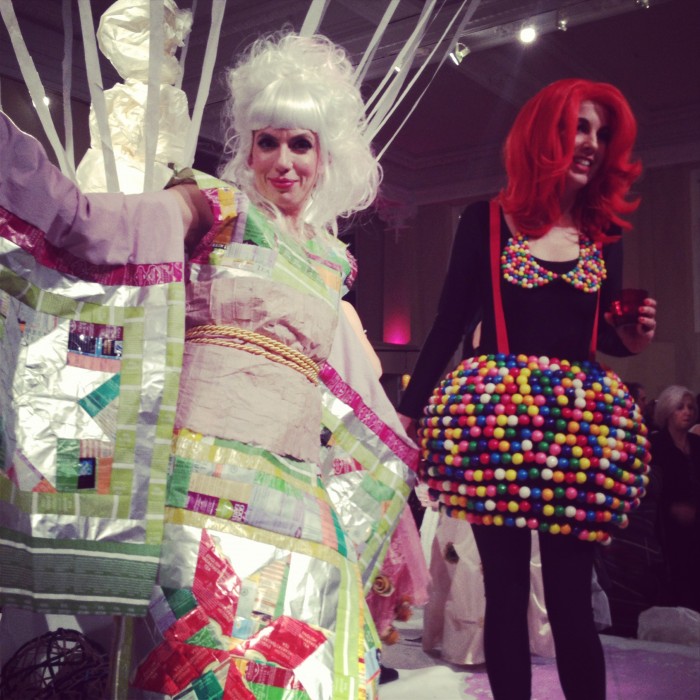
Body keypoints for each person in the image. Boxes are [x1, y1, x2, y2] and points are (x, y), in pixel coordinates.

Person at [0, 32, 418, 699]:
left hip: (299, 500)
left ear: (325, 157)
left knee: (313, 679)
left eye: (301, 144)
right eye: (267, 141)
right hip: (197, 488)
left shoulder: (332, 262)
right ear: (247, 149)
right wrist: (18, 167)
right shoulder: (216, 207)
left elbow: (349, 390)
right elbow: (105, 228)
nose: (283, 161)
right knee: (193, 679)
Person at [398, 79, 657, 699]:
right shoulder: (485, 221)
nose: (591, 143)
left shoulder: (604, 233)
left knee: (570, 599)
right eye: (578, 127)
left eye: (601, 133)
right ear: (545, 134)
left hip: (577, 432)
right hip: (496, 427)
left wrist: (631, 339)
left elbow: (601, 335)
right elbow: (449, 322)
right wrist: (408, 411)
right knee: (506, 592)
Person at [651, 385, 700, 611]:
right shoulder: (656, 446)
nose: (687, 412)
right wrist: (672, 507)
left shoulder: (696, 444)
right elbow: (653, 489)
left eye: (690, 407)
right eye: (680, 407)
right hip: (666, 524)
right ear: (668, 411)